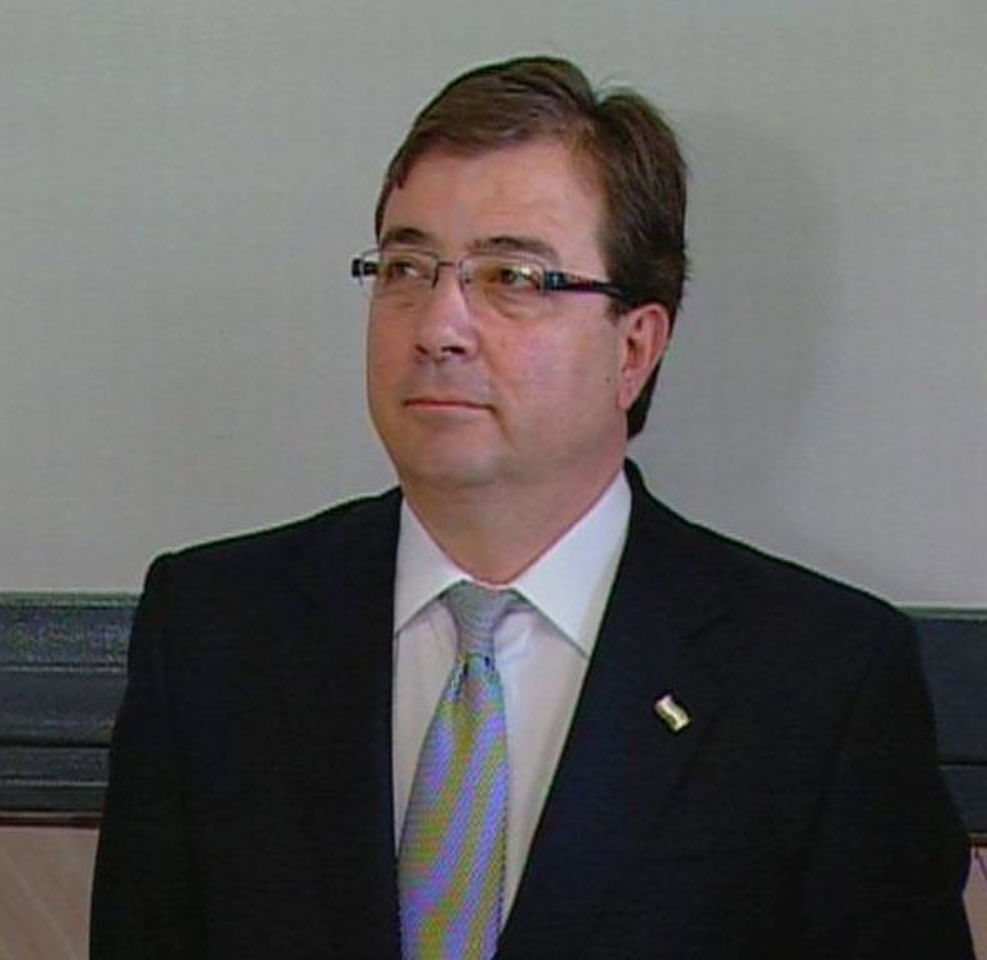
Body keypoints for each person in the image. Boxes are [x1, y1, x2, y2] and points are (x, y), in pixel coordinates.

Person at [90, 56, 972, 958]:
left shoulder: (818, 682)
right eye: (405, 267)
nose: (438, 327)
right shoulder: (217, 631)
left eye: (512, 277)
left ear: (635, 348)